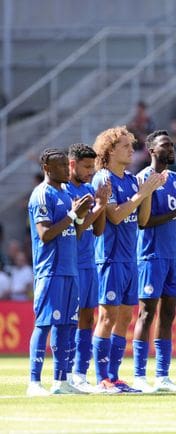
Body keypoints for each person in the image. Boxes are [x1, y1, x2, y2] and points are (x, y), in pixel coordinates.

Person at [91, 126, 166, 393]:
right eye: (125, 146)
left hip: (129, 259)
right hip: (109, 258)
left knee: (124, 318)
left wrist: (147, 192)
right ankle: (102, 379)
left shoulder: (133, 180)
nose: (131, 150)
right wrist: (142, 194)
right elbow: (115, 216)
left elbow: (142, 220)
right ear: (109, 151)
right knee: (107, 317)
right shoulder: (102, 178)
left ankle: (114, 376)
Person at [132, 131, 176, 393]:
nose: (171, 148)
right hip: (150, 254)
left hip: (172, 255)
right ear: (151, 150)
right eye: (165, 145)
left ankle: (162, 375)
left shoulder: (173, 178)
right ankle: (139, 375)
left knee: (169, 315)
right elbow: (144, 221)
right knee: (147, 313)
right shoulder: (143, 179)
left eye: (172, 144)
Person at [27, 148, 93, 396]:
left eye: (67, 165)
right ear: (47, 168)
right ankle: (34, 382)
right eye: (62, 166)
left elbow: (73, 235)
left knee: (67, 326)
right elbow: (45, 234)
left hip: (70, 269)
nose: (67, 169)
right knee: (44, 324)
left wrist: (83, 216)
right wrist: (73, 214)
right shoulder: (42, 195)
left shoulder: (66, 194)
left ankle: (61, 381)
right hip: (50, 270)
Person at [65, 144, 110, 393]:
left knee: (87, 317)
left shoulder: (90, 189)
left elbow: (98, 230)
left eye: (92, 167)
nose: (90, 172)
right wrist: (99, 206)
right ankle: (67, 372)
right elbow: (78, 227)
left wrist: (100, 204)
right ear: (72, 164)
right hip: (69, 263)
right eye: (85, 167)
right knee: (70, 319)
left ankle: (81, 373)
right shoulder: (64, 190)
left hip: (88, 261)